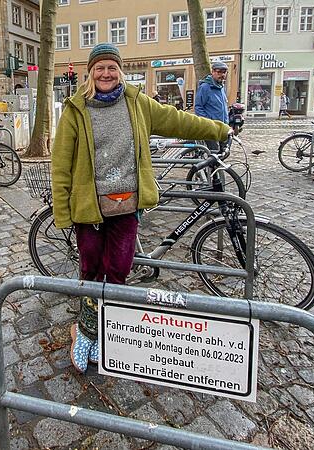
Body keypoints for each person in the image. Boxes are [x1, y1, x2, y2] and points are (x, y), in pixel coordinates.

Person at [51, 43, 231, 373]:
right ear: (91, 72)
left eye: (112, 67)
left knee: (117, 270)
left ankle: (110, 328)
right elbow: (60, 165)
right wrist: (63, 212)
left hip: (126, 206)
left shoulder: (137, 102)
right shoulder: (75, 110)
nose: (106, 73)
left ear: (120, 71)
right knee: (91, 271)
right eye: (100, 67)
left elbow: (178, 121)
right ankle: (85, 330)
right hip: (90, 208)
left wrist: (220, 128)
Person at [194, 61, 229, 152]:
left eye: (224, 72)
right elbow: (198, 107)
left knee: (224, 152)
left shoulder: (221, 87)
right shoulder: (205, 87)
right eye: (219, 72)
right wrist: (208, 123)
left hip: (223, 127)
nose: (222, 75)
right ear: (213, 72)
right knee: (214, 154)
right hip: (211, 128)